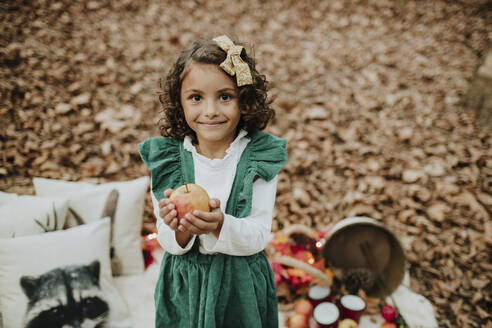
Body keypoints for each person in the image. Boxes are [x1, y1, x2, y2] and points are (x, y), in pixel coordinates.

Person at [138, 35, 287, 328]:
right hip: (186, 286)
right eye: (196, 97)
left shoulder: (257, 157)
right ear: (179, 103)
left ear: (244, 101)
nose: (210, 111)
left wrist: (221, 224)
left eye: (225, 96)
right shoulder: (169, 160)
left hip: (239, 286)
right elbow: (168, 242)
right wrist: (176, 228)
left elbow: (258, 235)